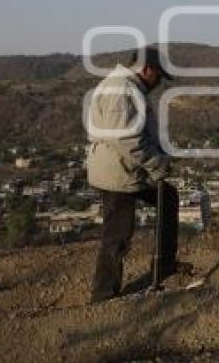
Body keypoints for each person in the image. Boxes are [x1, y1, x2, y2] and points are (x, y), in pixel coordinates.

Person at [86, 46, 183, 303]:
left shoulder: (129, 87)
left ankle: (164, 263)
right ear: (147, 69)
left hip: (126, 169)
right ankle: (103, 293)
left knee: (168, 198)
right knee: (117, 234)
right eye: (159, 76)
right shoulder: (121, 89)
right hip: (117, 173)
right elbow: (126, 138)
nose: (159, 82)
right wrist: (156, 163)